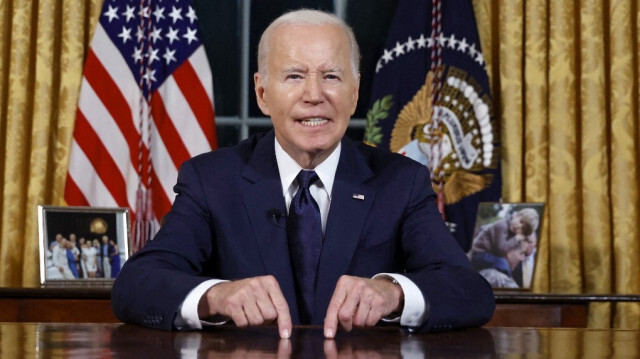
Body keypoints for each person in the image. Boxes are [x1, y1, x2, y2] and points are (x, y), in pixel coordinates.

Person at [112, 9, 494, 338]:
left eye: (332, 76)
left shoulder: (401, 181)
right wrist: (215, 297)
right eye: (294, 76)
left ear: (355, 91)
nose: (315, 94)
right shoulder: (212, 180)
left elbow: (470, 291)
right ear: (262, 93)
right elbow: (137, 284)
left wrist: (394, 292)